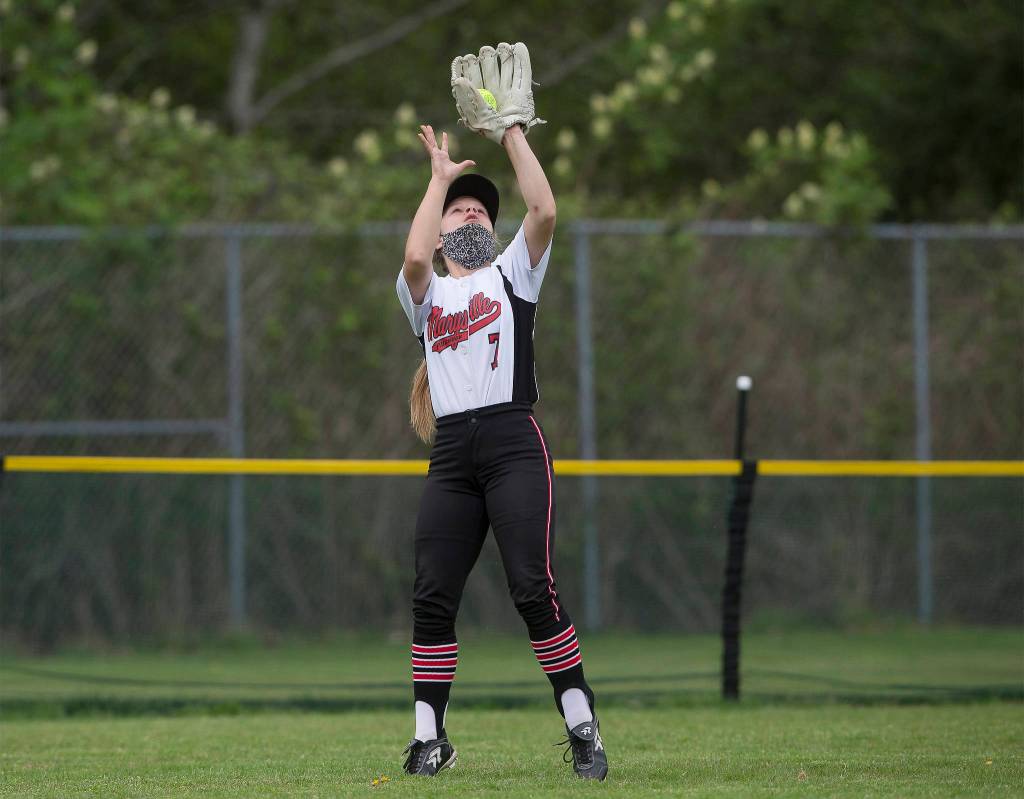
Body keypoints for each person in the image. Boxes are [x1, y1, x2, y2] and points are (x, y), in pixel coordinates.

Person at [394, 45, 607, 782]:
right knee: (431, 594)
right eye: (461, 208)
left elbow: (544, 208)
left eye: (480, 206)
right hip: (453, 453)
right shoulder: (428, 297)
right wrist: (437, 179)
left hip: (514, 441)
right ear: (446, 223)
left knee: (530, 586)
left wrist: (511, 131)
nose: (470, 212)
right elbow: (416, 260)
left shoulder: (513, 272)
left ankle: (581, 724)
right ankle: (429, 739)